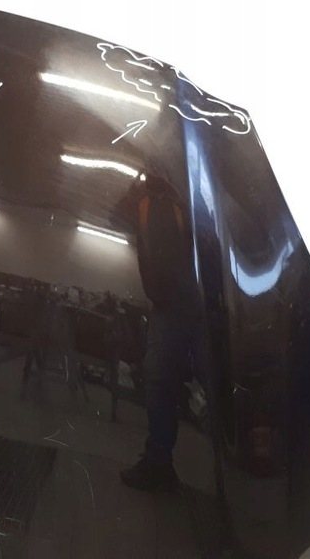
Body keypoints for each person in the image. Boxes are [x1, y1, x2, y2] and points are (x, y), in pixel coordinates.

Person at [119, 170, 207, 491]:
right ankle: (158, 462)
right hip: (166, 306)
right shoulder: (142, 202)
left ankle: (237, 474)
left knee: (211, 378)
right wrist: (134, 191)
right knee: (158, 380)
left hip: (201, 306)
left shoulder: (184, 195)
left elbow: (207, 236)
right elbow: (117, 217)